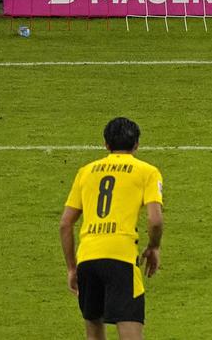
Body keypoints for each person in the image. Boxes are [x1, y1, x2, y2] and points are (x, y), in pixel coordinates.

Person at [59, 117, 164, 340]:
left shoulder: (85, 172)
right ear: (136, 144)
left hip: (88, 258)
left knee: (94, 332)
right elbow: (155, 220)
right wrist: (154, 247)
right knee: (130, 331)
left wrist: (71, 268)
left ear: (106, 145)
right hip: (121, 258)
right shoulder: (147, 171)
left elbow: (65, 223)